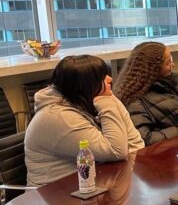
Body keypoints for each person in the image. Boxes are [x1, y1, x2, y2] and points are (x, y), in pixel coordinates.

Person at [25, 55, 144, 186]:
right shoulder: (57, 116)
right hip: (57, 195)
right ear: (85, 84)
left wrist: (109, 100)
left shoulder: (87, 99)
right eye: (102, 77)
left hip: (93, 184)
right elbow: (116, 151)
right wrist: (106, 103)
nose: (110, 79)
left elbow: (135, 143)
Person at [113, 41, 178, 145]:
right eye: (168, 62)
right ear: (153, 68)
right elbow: (146, 139)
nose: (173, 65)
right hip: (165, 154)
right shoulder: (135, 101)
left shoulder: (173, 84)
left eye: (171, 60)